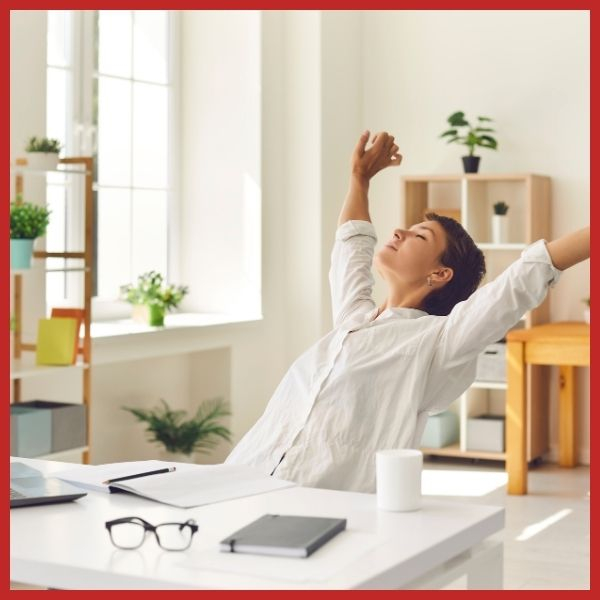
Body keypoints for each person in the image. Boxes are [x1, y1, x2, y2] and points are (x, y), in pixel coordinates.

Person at [225, 130, 590, 493]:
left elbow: (527, 275)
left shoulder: (438, 342)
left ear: (439, 274)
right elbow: (352, 245)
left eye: (420, 236)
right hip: (239, 478)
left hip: (314, 508)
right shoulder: (354, 320)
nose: (399, 231)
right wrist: (360, 179)